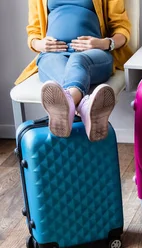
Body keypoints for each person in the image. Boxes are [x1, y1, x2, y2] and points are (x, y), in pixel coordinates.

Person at [16, 0, 133, 142]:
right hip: (52, 55)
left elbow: (122, 28)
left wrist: (103, 43)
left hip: (93, 53)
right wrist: (39, 44)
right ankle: (83, 107)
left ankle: (68, 104)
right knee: (58, 64)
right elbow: (33, 31)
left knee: (78, 61)